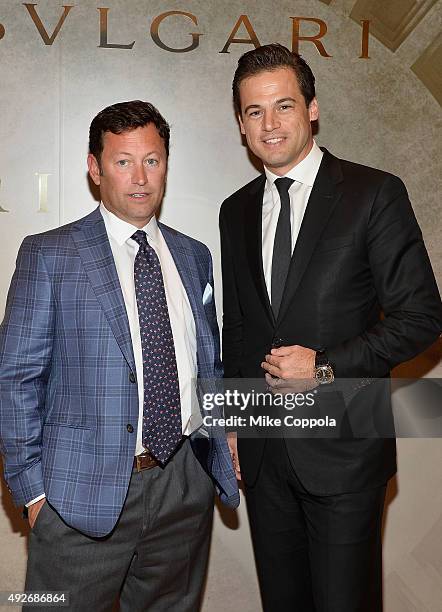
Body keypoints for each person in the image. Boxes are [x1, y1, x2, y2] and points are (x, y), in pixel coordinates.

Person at [219, 44, 441, 612]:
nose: (270, 124)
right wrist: (236, 425)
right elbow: (239, 330)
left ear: (312, 109)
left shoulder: (373, 193)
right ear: (241, 124)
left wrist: (323, 367)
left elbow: (423, 317)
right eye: (253, 112)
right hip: (266, 458)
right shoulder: (235, 210)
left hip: (345, 450)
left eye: (283, 105)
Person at [0, 100, 239, 612]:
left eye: (152, 160)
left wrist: (219, 442)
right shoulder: (48, 254)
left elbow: (209, 366)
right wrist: (33, 493)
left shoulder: (194, 256)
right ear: (94, 167)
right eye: (122, 161)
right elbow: (16, 377)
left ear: (166, 165)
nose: (139, 177)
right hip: (76, 498)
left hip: (182, 487)